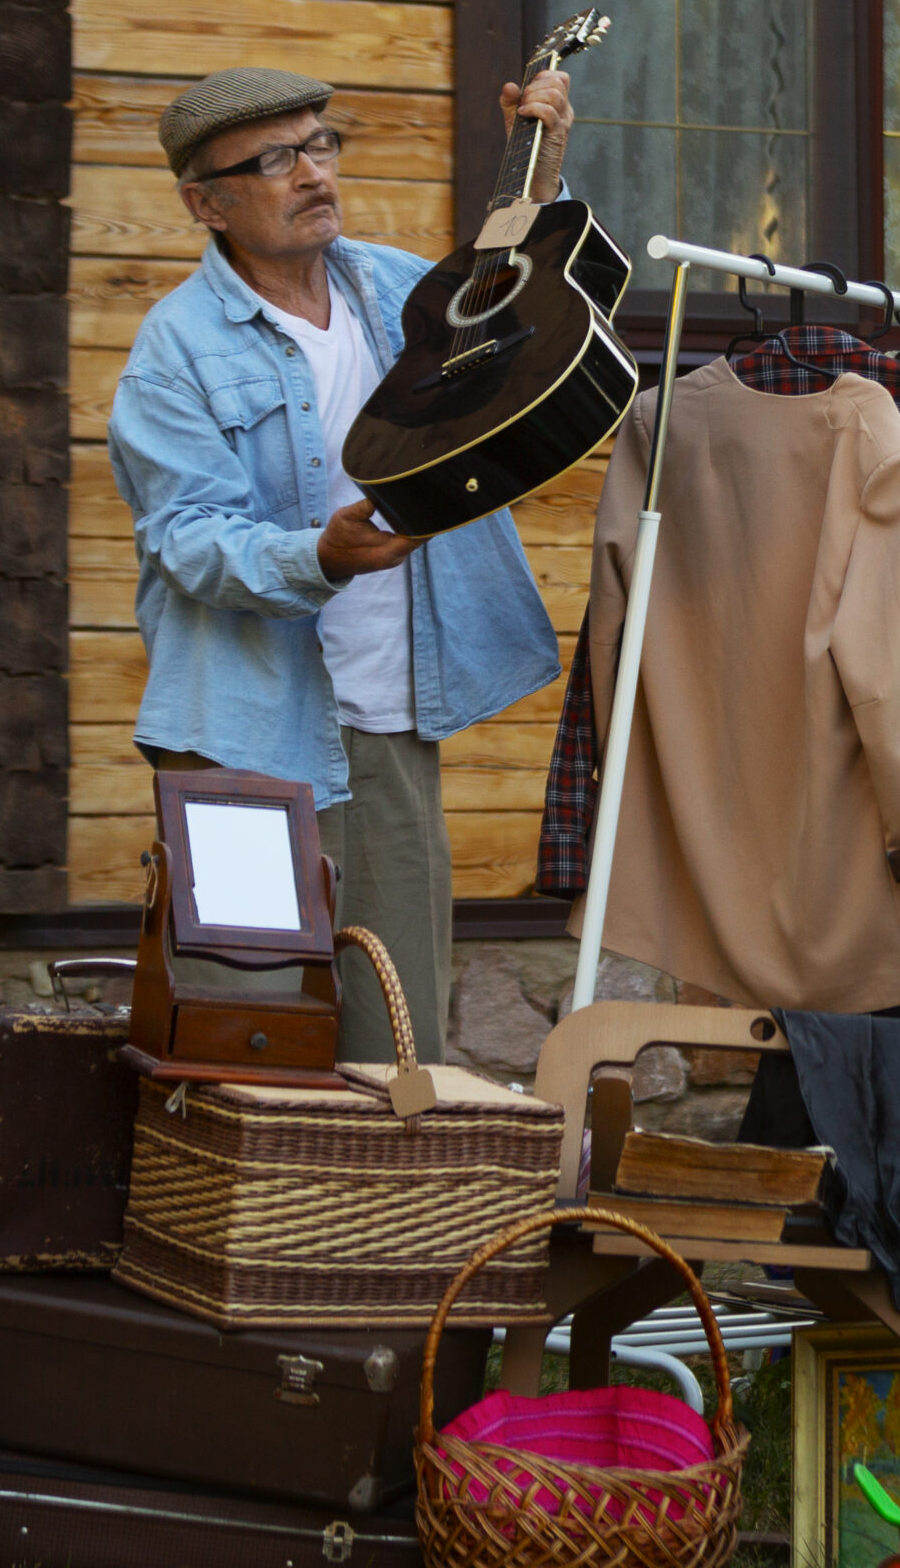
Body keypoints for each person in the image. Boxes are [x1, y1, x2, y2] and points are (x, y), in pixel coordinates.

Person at [106, 66, 578, 1063]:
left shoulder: (400, 288)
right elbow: (185, 535)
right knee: (252, 1025)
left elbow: (519, 320)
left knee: (395, 1035)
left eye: (320, 143)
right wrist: (318, 555)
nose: (313, 173)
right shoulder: (175, 349)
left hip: (390, 725)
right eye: (275, 159)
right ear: (208, 201)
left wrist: (538, 188)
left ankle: (379, 1222)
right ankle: (247, 1223)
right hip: (241, 738)